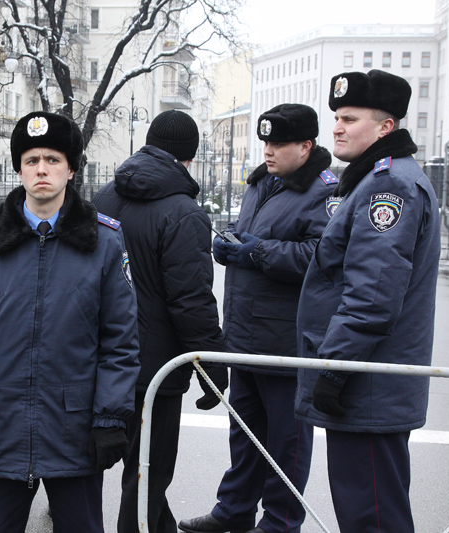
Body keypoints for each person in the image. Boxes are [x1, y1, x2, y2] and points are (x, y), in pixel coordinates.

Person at [0, 111, 140, 533]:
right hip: (1, 428)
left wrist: (110, 418)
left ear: (71, 169)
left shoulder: (104, 241)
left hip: (76, 430)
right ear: (19, 169)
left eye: (52, 159)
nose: (41, 169)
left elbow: (120, 342)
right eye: (31, 160)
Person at [179, 104, 336, 533]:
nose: (268, 150)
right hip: (245, 333)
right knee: (245, 434)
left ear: (306, 146)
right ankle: (234, 509)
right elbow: (260, 231)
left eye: (279, 143)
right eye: (266, 142)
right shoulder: (262, 182)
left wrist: (256, 252)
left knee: (286, 441)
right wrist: (231, 241)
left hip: (286, 341)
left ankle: (281, 521)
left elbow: (323, 256)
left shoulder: (324, 192)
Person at [294, 70, 440, 532]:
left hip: (366, 384)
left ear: (385, 127)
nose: (336, 127)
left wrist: (334, 369)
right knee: (370, 510)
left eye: (350, 118)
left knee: (371, 516)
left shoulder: (387, 185)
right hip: (368, 381)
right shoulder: (375, 178)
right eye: (337, 117)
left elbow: (372, 296)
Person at [93, 109, 228, 533]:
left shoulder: (103, 197)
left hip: (99, 355)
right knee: (148, 471)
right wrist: (212, 366)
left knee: (96, 458)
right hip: (155, 367)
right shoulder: (184, 212)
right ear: (190, 156)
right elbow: (191, 301)